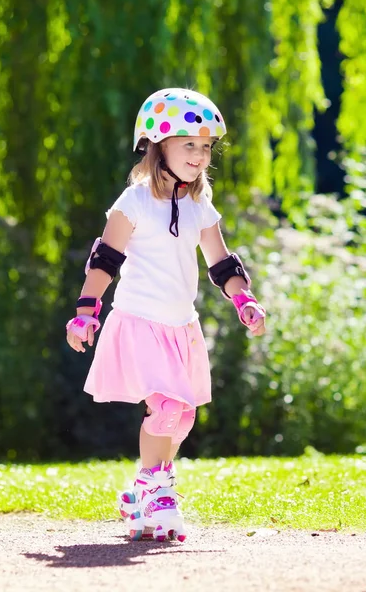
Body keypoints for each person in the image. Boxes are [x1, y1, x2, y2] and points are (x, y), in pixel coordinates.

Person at [66, 88, 266, 542]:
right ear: (158, 147)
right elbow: (105, 261)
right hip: (138, 321)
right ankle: (158, 489)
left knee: (183, 416)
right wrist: (85, 311)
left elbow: (221, 262)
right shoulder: (132, 202)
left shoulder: (199, 204)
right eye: (188, 144)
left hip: (181, 326)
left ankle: (144, 488)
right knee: (168, 408)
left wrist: (244, 300)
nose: (200, 155)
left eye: (206, 146)